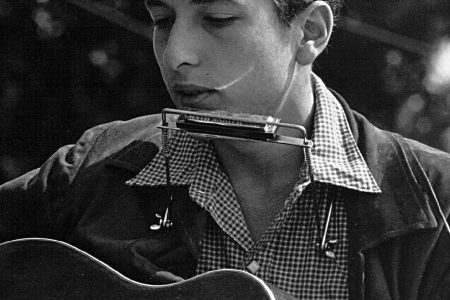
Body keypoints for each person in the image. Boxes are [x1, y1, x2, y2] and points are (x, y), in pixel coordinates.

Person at [1, 0, 450, 299]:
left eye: (217, 19)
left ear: (309, 32)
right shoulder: (91, 168)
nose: (176, 54)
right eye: (162, 20)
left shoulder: (437, 202)